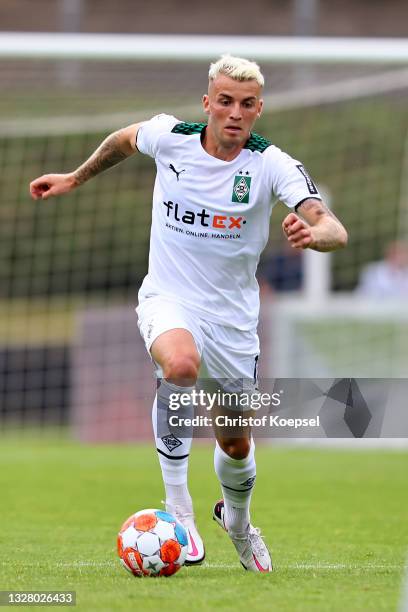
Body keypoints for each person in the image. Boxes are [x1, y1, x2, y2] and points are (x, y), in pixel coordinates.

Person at [30, 55, 348, 573]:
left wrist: (315, 235)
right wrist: (74, 177)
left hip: (233, 323)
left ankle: (239, 522)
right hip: (168, 299)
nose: (234, 113)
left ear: (258, 109)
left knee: (237, 442)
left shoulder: (272, 165)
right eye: (224, 101)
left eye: (246, 105)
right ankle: (179, 511)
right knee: (179, 366)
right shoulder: (170, 136)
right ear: (208, 104)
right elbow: (123, 140)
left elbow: (333, 225)